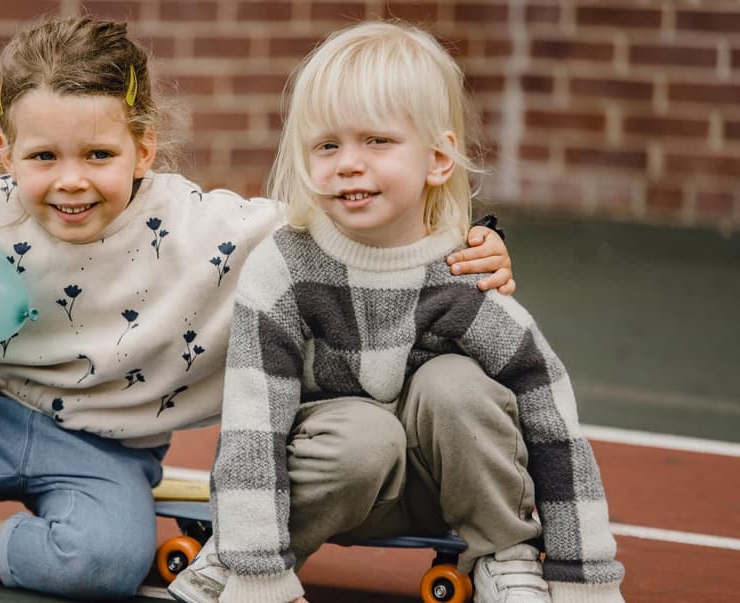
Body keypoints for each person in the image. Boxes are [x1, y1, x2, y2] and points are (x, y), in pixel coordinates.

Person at [0, 16, 513, 601]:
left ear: (144, 146)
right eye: (43, 156)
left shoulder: (218, 232)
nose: (70, 180)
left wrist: (474, 243)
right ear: (4, 149)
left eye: (99, 154)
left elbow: (345, 229)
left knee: (104, 561)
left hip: (105, 451)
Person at [169, 20, 624, 603]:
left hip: (443, 493)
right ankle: (238, 557)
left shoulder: (464, 270)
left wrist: (583, 574)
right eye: (327, 145)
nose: (348, 163)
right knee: (365, 434)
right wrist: (254, 566)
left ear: (438, 159)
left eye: (377, 141)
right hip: (334, 485)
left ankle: (504, 556)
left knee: (457, 386)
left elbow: (549, 415)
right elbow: (253, 423)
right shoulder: (284, 269)